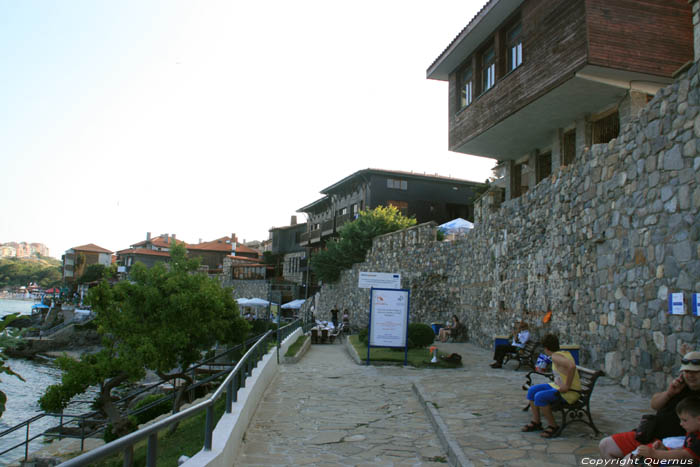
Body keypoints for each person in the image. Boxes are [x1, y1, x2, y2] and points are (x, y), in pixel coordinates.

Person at [599, 351, 700, 459]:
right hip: (649, 433)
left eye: (695, 372)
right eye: (686, 371)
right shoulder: (680, 386)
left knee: (630, 460)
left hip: (670, 443)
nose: (690, 375)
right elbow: (654, 404)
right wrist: (669, 393)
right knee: (605, 445)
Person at [521, 333, 580, 438]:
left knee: (540, 396)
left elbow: (572, 366)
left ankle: (553, 426)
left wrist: (566, 386)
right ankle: (536, 422)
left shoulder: (556, 356)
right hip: (557, 386)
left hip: (569, 393)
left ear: (546, 348)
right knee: (532, 390)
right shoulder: (560, 354)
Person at [635, 395, 700, 464]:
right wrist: (664, 450)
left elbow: (685, 455)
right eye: (680, 420)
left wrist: (654, 453)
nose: (681, 424)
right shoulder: (693, 432)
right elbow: (685, 451)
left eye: (684, 420)